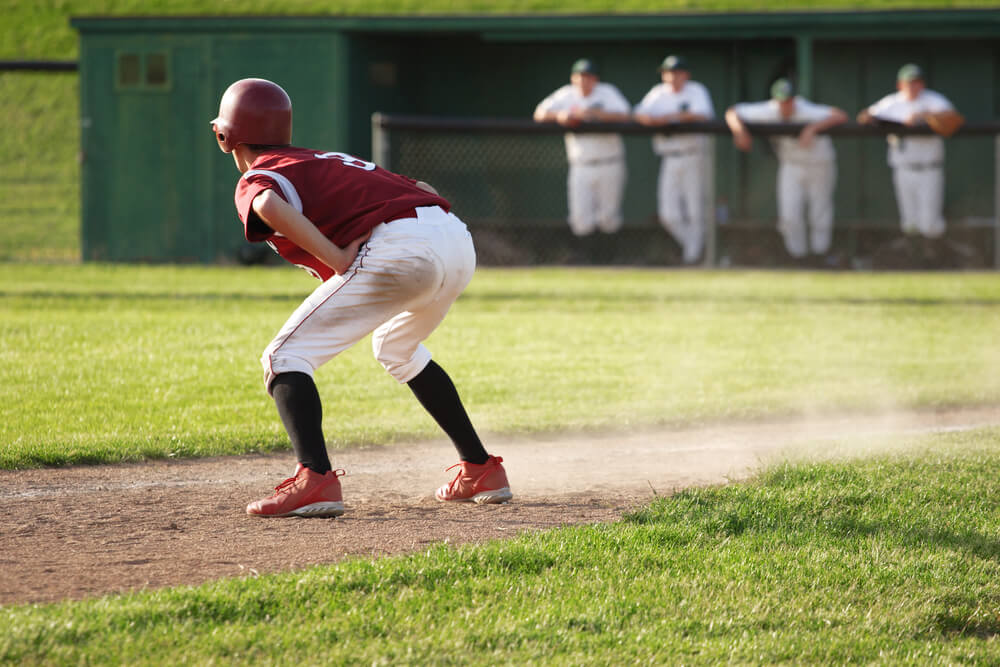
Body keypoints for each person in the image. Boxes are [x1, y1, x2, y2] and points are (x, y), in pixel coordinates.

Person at [210, 78, 512, 517]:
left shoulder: (259, 173)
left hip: (405, 249)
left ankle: (315, 480)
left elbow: (267, 204)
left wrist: (334, 256)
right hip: (455, 239)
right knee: (396, 347)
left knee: (284, 355)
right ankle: (480, 468)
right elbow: (425, 189)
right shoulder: (322, 159)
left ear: (225, 136)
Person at [725, 79, 848, 263]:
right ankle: (797, 257)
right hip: (791, 164)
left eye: (789, 100)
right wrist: (739, 131)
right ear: (776, 100)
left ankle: (819, 255)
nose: (786, 105)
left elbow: (840, 115)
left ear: (794, 99)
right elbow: (732, 112)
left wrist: (812, 129)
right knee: (789, 214)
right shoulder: (769, 110)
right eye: (782, 101)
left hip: (819, 163)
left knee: (819, 212)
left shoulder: (806, 109)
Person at [533, 58, 632, 249]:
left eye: (588, 77)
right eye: (580, 77)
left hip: (609, 162)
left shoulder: (607, 93)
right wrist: (560, 116)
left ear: (595, 79)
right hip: (581, 165)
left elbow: (626, 115)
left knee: (608, 218)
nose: (584, 81)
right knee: (580, 219)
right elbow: (539, 114)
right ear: (573, 78)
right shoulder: (566, 95)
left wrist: (595, 114)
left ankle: (611, 259)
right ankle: (586, 260)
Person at [857, 64, 959, 241]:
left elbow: (954, 119)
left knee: (929, 224)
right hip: (903, 168)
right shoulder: (892, 102)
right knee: (909, 223)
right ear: (900, 85)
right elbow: (864, 116)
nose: (912, 87)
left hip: (929, 169)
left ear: (922, 84)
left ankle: (938, 255)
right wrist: (889, 122)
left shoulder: (933, 100)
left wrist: (923, 116)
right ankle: (915, 259)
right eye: (908, 83)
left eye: (916, 82)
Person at [634, 55, 716, 264]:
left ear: (685, 75)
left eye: (677, 73)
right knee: (668, 214)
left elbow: (703, 114)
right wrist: (651, 120)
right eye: (667, 73)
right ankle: (694, 248)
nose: (672, 77)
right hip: (669, 157)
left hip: (693, 155)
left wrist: (670, 118)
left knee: (695, 208)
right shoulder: (658, 93)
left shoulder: (696, 90)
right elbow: (638, 113)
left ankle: (693, 257)